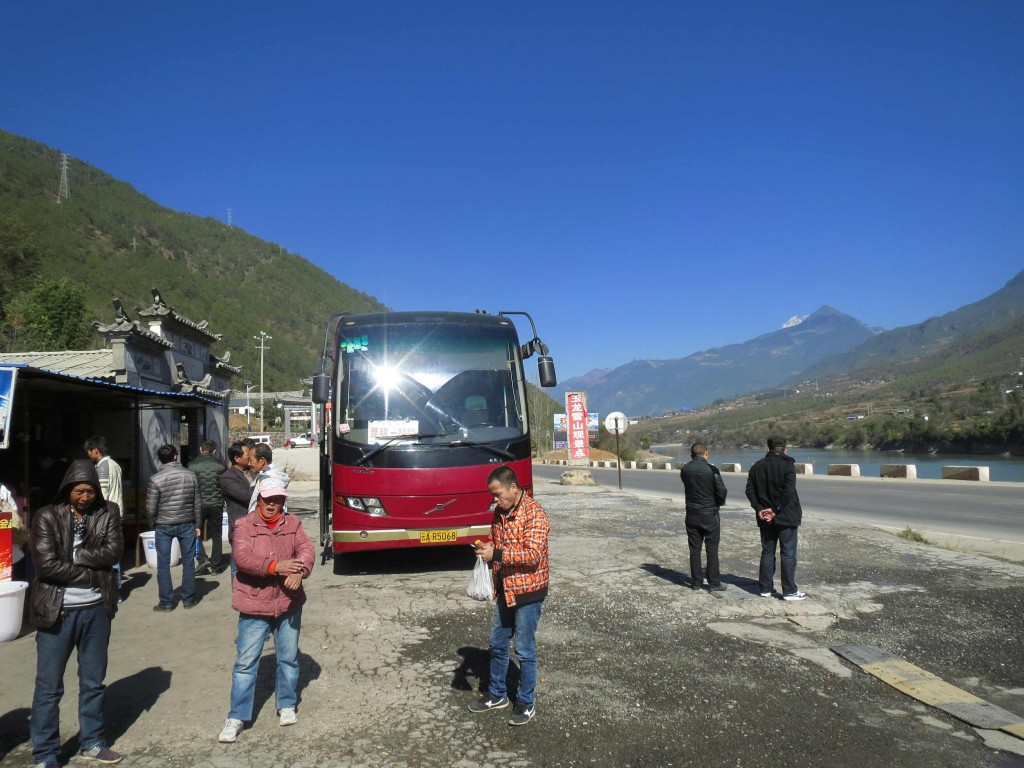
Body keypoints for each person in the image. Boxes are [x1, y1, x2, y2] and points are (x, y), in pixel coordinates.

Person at [29, 460, 124, 767]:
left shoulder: (107, 512)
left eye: (90, 491)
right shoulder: (46, 516)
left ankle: (93, 742)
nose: (85, 497)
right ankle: (45, 753)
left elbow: (113, 552)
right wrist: (95, 575)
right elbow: (47, 567)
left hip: (96, 610)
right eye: (79, 491)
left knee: (94, 682)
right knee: (49, 687)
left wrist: (76, 555)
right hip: (58, 612)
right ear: (68, 488)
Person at [218, 474, 314, 743]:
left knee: (288, 658)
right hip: (254, 604)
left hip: (288, 603)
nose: (272, 505)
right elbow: (243, 558)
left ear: (284, 501)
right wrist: (276, 567)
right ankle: (237, 715)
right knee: (246, 663)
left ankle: (286, 703)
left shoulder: (292, 523)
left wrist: (301, 570)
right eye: (268, 500)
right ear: (258, 500)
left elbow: (305, 549)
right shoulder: (244, 525)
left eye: (278, 500)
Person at [469, 466, 550, 727]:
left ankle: (526, 701)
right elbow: (496, 539)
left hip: (529, 591)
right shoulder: (500, 512)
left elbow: (533, 555)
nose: (495, 500)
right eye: (492, 495)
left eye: (498, 494)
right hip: (506, 588)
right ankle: (497, 694)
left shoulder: (535, 513)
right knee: (497, 644)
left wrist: (499, 555)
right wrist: (486, 547)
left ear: (512, 487)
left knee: (525, 649)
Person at [745, 436, 806, 601]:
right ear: (785, 449)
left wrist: (760, 509)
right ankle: (789, 591)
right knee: (788, 553)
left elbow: (750, 491)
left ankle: (765, 588)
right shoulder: (788, 465)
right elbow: (788, 491)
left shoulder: (757, 467)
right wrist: (775, 510)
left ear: (768, 449)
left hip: (765, 517)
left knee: (767, 552)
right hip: (786, 516)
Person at [146, 444, 202, 611]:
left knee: (163, 564)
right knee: (188, 562)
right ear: (175, 456)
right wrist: (198, 525)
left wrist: (153, 524)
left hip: (163, 525)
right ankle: (188, 599)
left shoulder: (155, 479)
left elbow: (150, 508)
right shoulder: (191, 476)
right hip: (187, 523)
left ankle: (166, 602)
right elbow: (197, 503)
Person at [680, 442, 728, 591]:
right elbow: (721, 491)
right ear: (706, 453)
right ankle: (714, 582)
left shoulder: (685, 469)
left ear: (692, 455)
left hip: (692, 514)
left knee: (694, 549)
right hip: (709, 514)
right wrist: (718, 503)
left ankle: (696, 582)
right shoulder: (711, 469)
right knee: (711, 549)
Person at [84, 437, 124, 598]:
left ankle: (112, 592)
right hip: (116, 513)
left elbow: (101, 495)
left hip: (107, 515)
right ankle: (116, 591)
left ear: (95, 450)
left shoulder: (103, 468)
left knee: (107, 555)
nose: (88, 455)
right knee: (113, 554)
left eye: (88, 452)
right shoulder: (114, 465)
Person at [219, 442, 254, 579]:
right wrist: (261, 484)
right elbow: (245, 496)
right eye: (247, 454)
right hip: (240, 529)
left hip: (255, 527)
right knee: (238, 568)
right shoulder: (228, 477)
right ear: (237, 458)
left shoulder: (250, 472)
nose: (250, 456)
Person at [191, 439, 226, 575]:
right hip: (216, 504)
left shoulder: (192, 466)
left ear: (201, 449)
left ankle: (201, 559)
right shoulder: (220, 465)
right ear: (214, 451)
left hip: (198, 505)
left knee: (195, 534)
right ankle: (216, 567)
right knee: (217, 536)